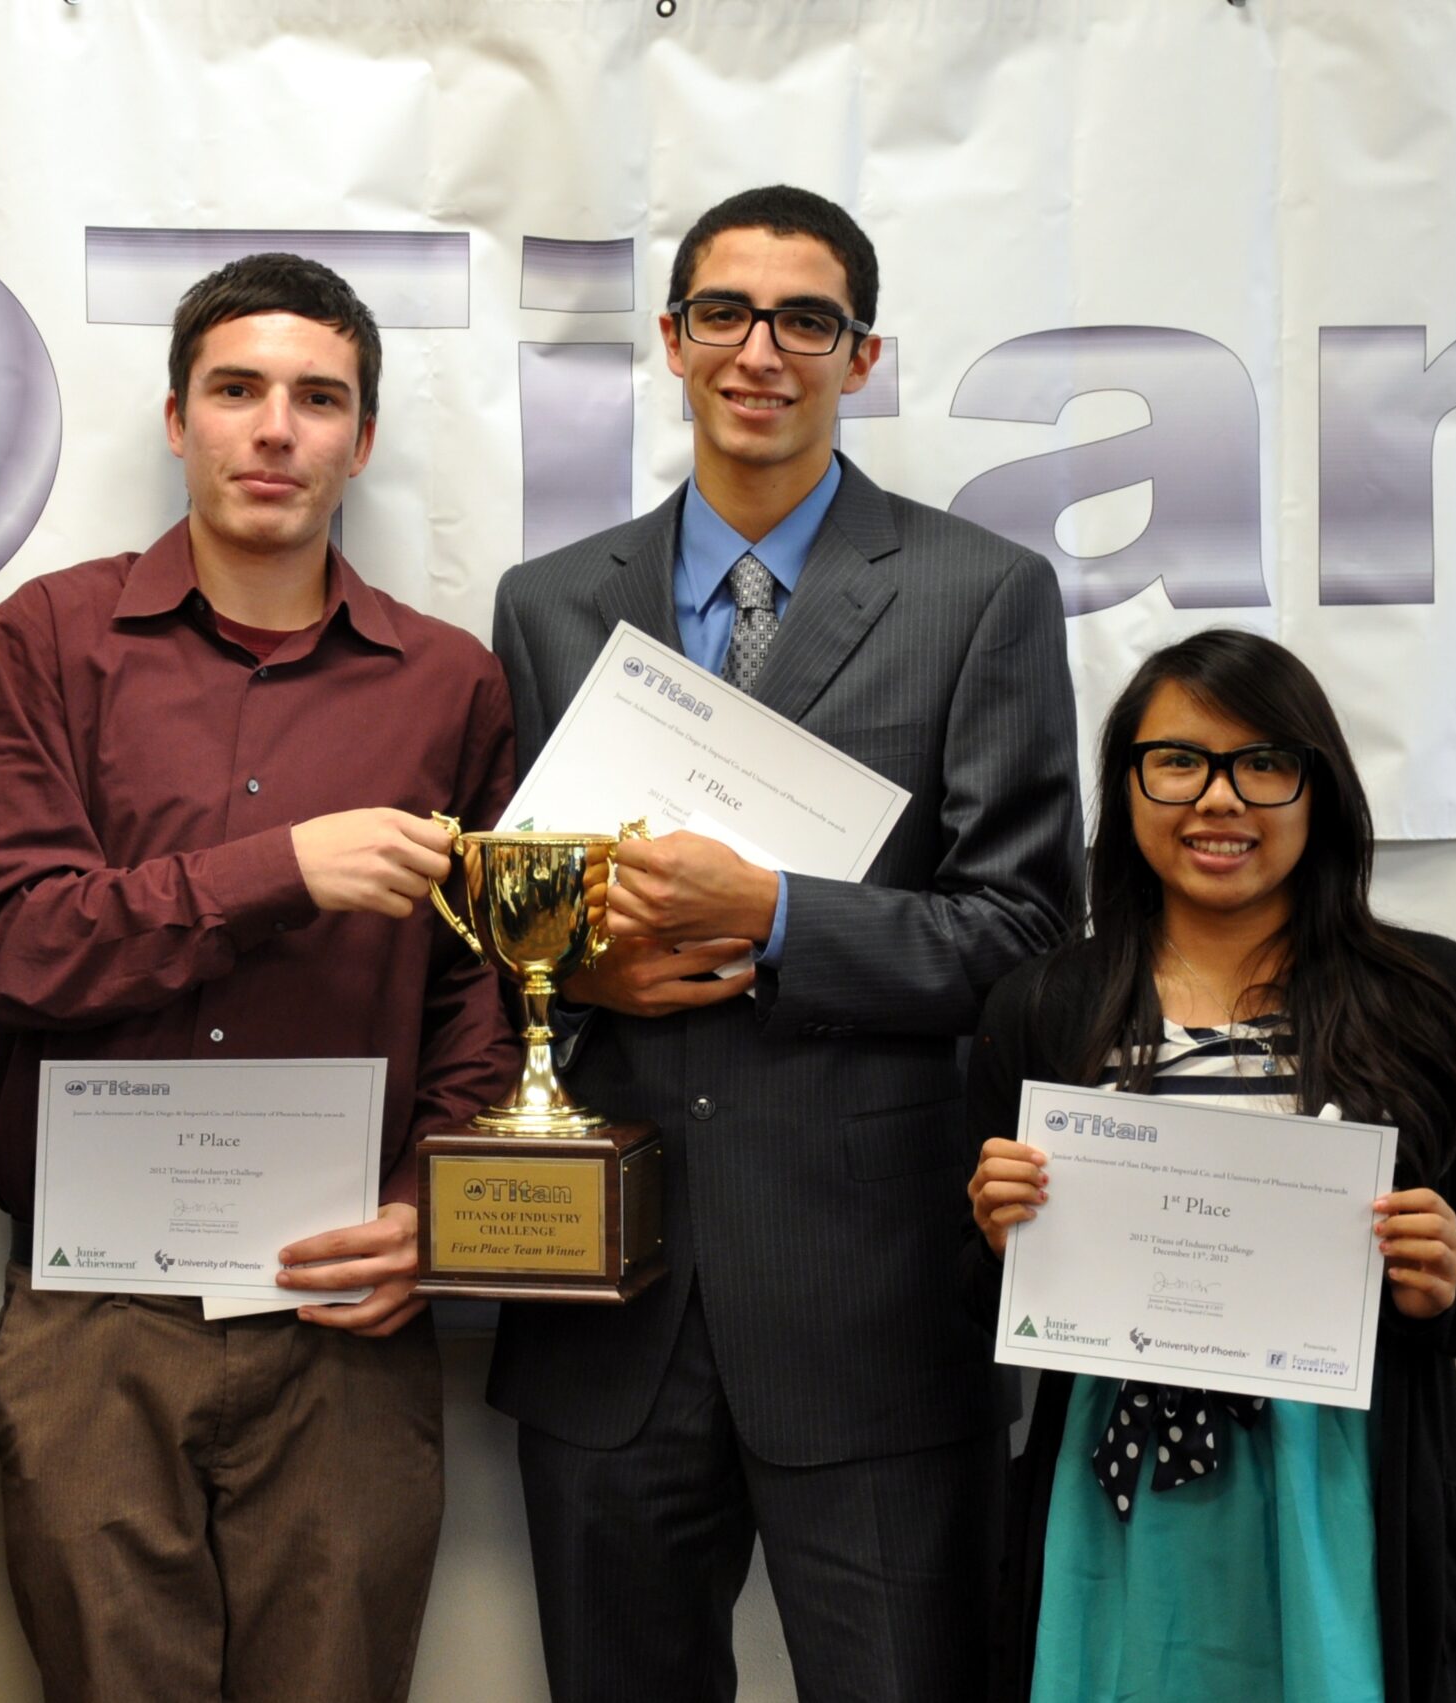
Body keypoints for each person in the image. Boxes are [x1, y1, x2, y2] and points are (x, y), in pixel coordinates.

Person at [488, 184, 1083, 1700]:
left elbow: (1027, 936)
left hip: (869, 1299)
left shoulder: (979, 594)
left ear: (861, 355)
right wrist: (579, 972)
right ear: (671, 341)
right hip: (609, 1295)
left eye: (805, 319)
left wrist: (776, 916)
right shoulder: (548, 606)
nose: (761, 351)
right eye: (725, 313)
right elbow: (505, 922)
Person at [0, 251, 518, 1702]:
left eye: (317, 399)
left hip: (344, 1303)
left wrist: (430, 1207)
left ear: (362, 441)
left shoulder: (450, 681)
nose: (274, 429)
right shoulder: (48, 640)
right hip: (95, 1310)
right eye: (237, 390)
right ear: (176, 418)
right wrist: (281, 869)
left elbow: (485, 1000)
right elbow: (11, 946)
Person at [959, 628, 1456, 1702]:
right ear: (1127, 784)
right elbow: (966, 1294)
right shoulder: (1043, 1006)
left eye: (1263, 764)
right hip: (1110, 1493)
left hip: (1348, 1492)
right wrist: (998, 1242)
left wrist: (1452, 1280)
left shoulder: (1435, 999)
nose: (1218, 798)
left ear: (1316, 789)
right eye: (1178, 761)